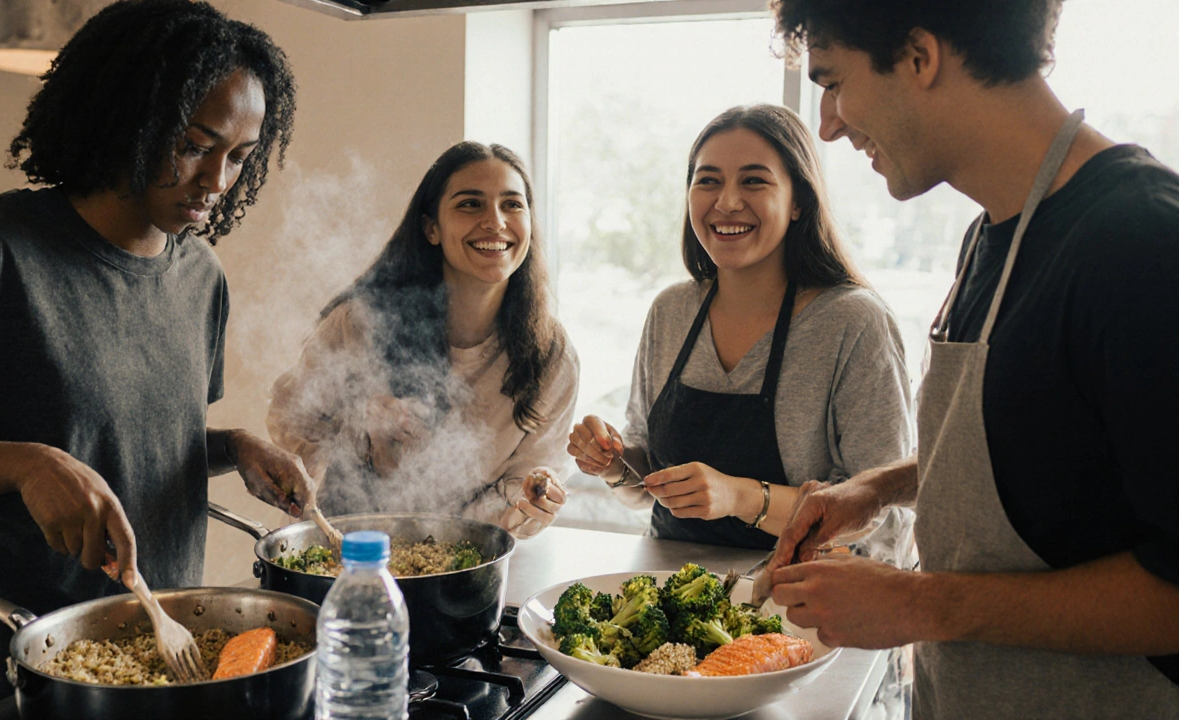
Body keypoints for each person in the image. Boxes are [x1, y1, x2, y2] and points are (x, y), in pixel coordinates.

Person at [765, 1, 1179, 717]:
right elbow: (1047, 449)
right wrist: (880, 488)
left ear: (920, 57)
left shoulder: (1141, 244)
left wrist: (925, 606)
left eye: (833, 83)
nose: (827, 124)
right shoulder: (990, 234)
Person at [0, 0, 313, 712]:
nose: (217, 181)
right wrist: (25, 464)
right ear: (129, 117)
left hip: (157, 666)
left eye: (239, 158)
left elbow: (130, 439)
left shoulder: (199, 277)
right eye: (193, 144)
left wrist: (231, 446)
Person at [566, 104, 913, 549]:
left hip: (802, 600)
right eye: (707, 180)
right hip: (668, 593)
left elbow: (879, 515)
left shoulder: (853, 322)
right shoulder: (671, 311)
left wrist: (740, 496)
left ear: (798, 203)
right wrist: (613, 463)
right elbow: (645, 486)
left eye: (754, 180)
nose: (726, 202)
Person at [267, 142, 578, 538]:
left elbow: (522, 484)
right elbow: (287, 419)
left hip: (458, 565)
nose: (496, 222)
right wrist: (359, 427)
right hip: (337, 550)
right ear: (431, 227)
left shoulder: (551, 355)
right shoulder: (362, 321)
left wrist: (530, 500)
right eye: (470, 204)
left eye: (513, 205)